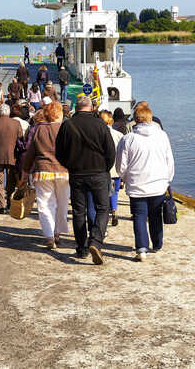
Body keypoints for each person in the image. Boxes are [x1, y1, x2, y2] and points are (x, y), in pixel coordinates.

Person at [55, 95, 116, 264]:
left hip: (77, 174)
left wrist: (69, 165)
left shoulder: (67, 125)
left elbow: (59, 152)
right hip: (98, 173)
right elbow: (111, 152)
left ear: (76, 107)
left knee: (78, 211)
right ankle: (95, 241)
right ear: (91, 108)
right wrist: (105, 168)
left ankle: (81, 248)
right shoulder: (100, 125)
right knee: (103, 209)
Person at [117, 103, 175, 262]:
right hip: (158, 185)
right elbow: (169, 160)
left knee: (139, 216)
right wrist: (167, 179)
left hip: (137, 185)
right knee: (155, 215)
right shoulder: (162, 136)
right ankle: (157, 244)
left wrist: (124, 178)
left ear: (135, 120)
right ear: (150, 119)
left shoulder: (128, 139)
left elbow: (121, 165)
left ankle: (141, 249)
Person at [22, 101, 69, 249]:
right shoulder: (65, 128)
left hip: (42, 170)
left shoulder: (38, 129)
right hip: (63, 170)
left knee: (45, 203)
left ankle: (49, 235)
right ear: (58, 114)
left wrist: (25, 171)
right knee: (62, 203)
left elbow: (30, 152)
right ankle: (57, 232)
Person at [0, 103, 23, 214]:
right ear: (8, 112)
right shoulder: (16, 123)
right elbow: (20, 142)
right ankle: (10, 203)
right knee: (11, 181)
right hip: (13, 157)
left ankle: (1, 205)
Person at [100, 110, 124, 227]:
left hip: (102, 169)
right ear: (111, 121)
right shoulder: (119, 135)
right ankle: (114, 210)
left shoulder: (97, 133)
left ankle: (106, 213)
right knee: (115, 191)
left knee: (104, 192)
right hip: (115, 169)